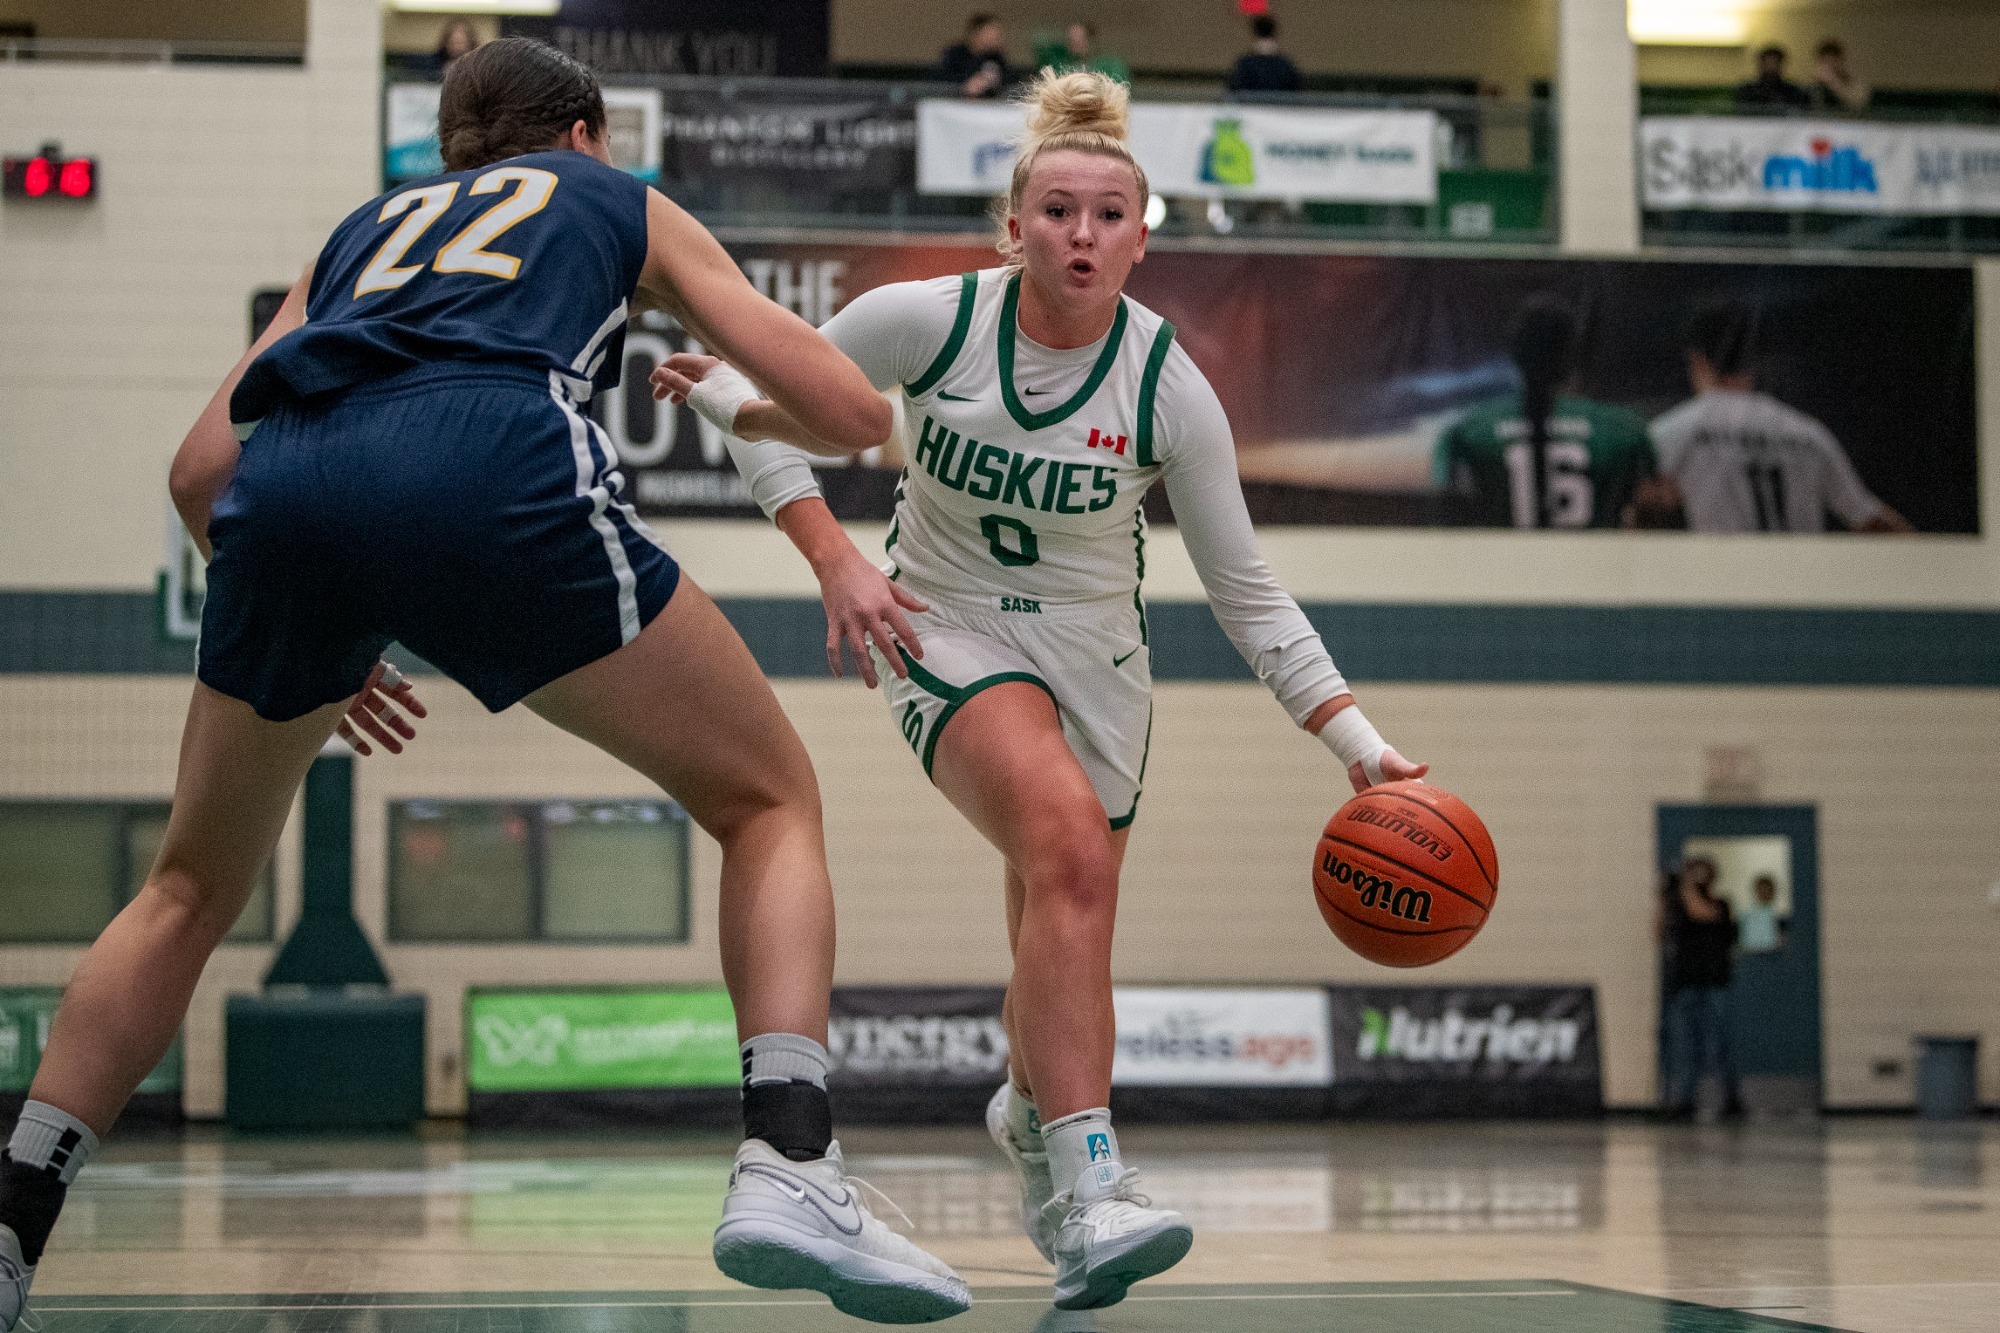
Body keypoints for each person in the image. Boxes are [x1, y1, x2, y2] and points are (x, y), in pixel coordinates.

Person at [0, 38, 970, 1332]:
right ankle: (791, 1162)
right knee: (767, 799)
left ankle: (13, 1226)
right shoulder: (612, 200)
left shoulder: (360, 231)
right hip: (487, 456)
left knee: (184, 890)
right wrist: (749, 412)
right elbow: (850, 410)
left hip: (282, 498)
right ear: (582, 134)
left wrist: (309, 622)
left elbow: (195, 470)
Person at [654, 70, 1426, 1311]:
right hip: (941, 625)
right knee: (1069, 845)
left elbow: (1245, 589)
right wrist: (836, 557)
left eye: (1106, 214)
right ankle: (1094, 1179)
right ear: (1012, 228)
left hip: (1099, 659)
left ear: (1141, 233)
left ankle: (1034, 1126)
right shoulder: (926, 319)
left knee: (1063, 912)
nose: (1080, 234)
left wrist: (1356, 741)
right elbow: (767, 415)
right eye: (1055, 211)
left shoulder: (1169, 383)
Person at [1651, 300, 1913, 533]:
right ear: (1754, 360)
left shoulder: (1673, 431)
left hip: (1720, 580)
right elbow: (1871, 519)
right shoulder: (1806, 432)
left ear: (1696, 359)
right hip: (1797, 581)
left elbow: (1639, 510)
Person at [1433, 295, 1662, 529]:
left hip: (1504, 563)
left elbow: (1448, 517)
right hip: (1593, 564)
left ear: (1516, 355)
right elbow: (1653, 515)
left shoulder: (1469, 431)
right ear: (1572, 356)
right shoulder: (1624, 430)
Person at [1659, 858, 1742, 1121]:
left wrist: (1685, 887)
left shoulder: (1722, 905)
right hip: (1685, 986)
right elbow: (1657, 932)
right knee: (1685, 1046)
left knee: (1718, 1044)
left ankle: (1732, 1099)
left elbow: (1703, 913)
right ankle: (1685, 1101)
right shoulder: (1678, 906)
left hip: (1714, 986)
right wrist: (1663, 900)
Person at [939, 12, 1014, 99]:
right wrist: (964, 86)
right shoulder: (955, 54)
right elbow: (942, 80)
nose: (996, 36)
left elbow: (1009, 81)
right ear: (976, 33)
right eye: (991, 31)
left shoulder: (996, 57)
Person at [1228, 15, 1303, 95]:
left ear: (1255, 33)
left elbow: (1236, 91)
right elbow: (1296, 91)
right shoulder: (1285, 64)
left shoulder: (1245, 64)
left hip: (1252, 106)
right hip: (1279, 106)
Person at [1039, 21, 1129, 86]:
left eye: (1080, 39)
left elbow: (1118, 86)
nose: (1075, 43)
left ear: (1089, 40)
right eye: (1071, 40)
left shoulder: (1109, 64)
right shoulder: (1062, 66)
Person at [1735, 45, 1810, 111]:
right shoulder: (1747, 91)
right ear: (1760, 65)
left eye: (1774, 63)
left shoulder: (1793, 92)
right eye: (1767, 63)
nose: (1771, 67)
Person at [1808, 38, 1870, 112]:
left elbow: (1860, 101)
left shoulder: (1854, 85)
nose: (1829, 68)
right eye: (1825, 62)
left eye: (1834, 62)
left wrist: (1834, 83)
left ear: (1841, 62)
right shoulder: (1814, 84)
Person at [1738, 873, 1786, 953]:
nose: (1765, 893)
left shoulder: (1778, 916)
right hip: (1751, 954)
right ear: (1756, 891)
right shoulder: (1746, 916)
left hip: (1773, 956)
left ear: (1773, 892)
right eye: (1762, 890)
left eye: (1768, 890)